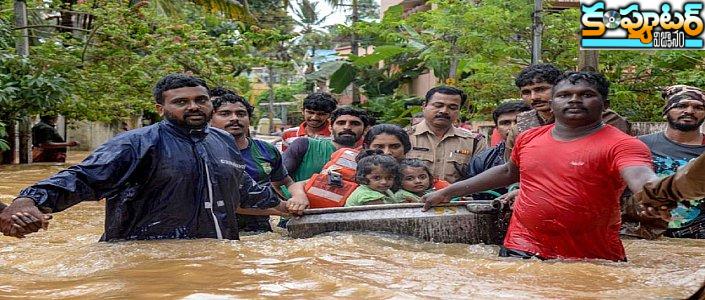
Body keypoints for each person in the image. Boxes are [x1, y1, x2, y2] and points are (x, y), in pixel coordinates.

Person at [0, 73, 306, 241]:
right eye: (181, 102)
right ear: (161, 108)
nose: (194, 107)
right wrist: (28, 201)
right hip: (145, 255)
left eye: (201, 100)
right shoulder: (135, 144)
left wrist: (287, 208)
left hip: (218, 254)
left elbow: (245, 190)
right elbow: (81, 178)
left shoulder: (223, 142)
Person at [423, 71, 659, 261]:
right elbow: (508, 171)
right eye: (565, 95)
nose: (574, 100)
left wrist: (659, 193)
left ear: (604, 103)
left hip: (592, 257)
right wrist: (448, 192)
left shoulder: (623, 144)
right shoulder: (529, 137)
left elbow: (641, 176)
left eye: (586, 94)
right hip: (521, 246)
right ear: (553, 103)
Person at [500, 63, 632, 203]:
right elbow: (513, 171)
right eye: (526, 92)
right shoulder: (521, 126)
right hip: (532, 201)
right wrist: (518, 188)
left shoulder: (601, 117)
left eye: (541, 89)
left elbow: (608, 171)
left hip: (594, 199)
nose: (534, 97)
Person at [209, 88, 301, 233]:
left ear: (249, 118)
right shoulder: (205, 153)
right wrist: (281, 210)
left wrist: (298, 196)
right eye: (225, 114)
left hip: (261, 230)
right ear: (210, 120)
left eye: (241, 114)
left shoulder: (266, 149)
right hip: (221, 230)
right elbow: (227, 202)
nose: (234, 118)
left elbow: (285, 182)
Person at [622, 85, 705, 239]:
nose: (689, 111)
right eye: (681, 105)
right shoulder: (637, 145)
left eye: (698, 107)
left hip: (698, 238)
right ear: (666, 111)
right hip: (643, 235)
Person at [406, 86, 487, 183]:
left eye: (452, 107)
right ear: (424, 106)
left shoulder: (474, 141)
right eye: (438, 105)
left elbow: (481, 177)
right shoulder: (404, 137)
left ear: (459, 111)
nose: (444, 111)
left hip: (457, 197)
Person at [283, 106, 372, 182]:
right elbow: (277, 179)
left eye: (355, 124)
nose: (347, 127)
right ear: (330, 127)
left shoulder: (368, 158)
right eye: (341, 123)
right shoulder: (305, 145)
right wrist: (296, 196)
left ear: (365, 129)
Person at [462, 100, 530, 199]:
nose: (513, 127)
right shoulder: (482, 160)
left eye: (518, 121)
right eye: (505, 123)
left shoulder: (551, 152)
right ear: (497, 129)